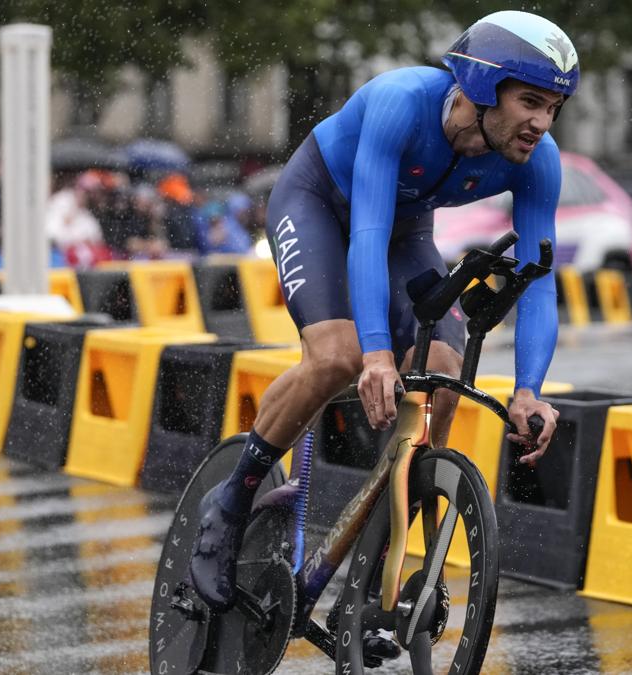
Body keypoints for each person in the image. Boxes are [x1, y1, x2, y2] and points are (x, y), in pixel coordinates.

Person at [190, 9, 579, 620]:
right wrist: (375, 355)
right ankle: (231, 502)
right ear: (480, 86)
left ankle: (379, 576)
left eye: (554, 107)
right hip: (321, 203)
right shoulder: (402, 101)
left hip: (403, 230)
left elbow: (538, 284)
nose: (541, 121)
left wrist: (531, 390)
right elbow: (365, 235)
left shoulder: (538, 160)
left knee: (445, 375)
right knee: (339, 358)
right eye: (531, 100)